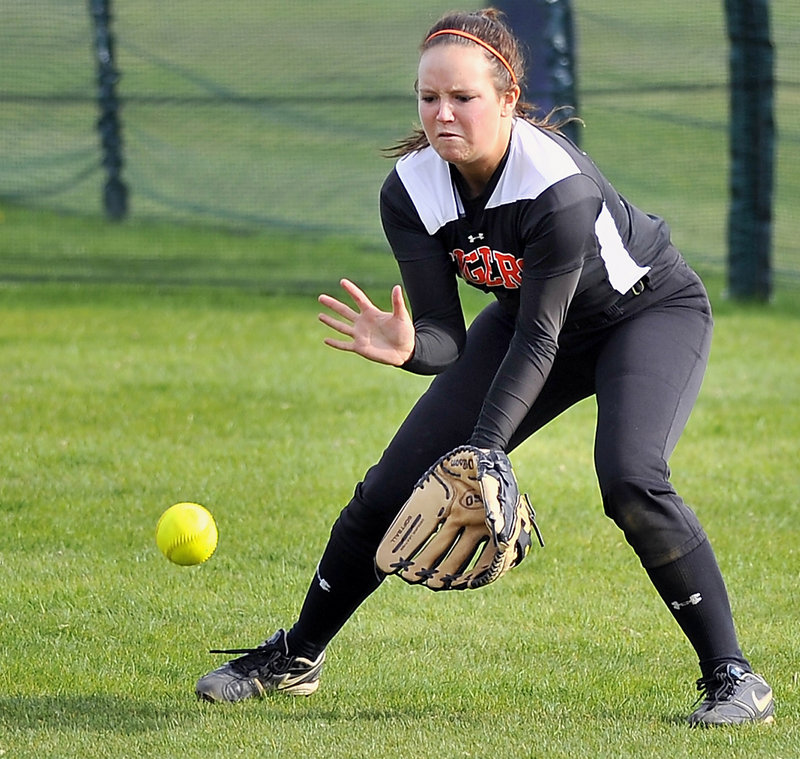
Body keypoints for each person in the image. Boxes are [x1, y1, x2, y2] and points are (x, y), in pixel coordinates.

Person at [195, 9, 774, 726]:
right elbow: (448, 337)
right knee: (388, 487)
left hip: (644, 315)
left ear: (506, 100)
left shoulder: (555, 185)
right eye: (427, 97)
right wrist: (410, 348)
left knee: (630, 477)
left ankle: (735, 676)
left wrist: (485, 448)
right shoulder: (411, 191)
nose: (442, 113)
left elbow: (540, 336)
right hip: (531, 322)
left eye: (462, 98)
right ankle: (297, 653)